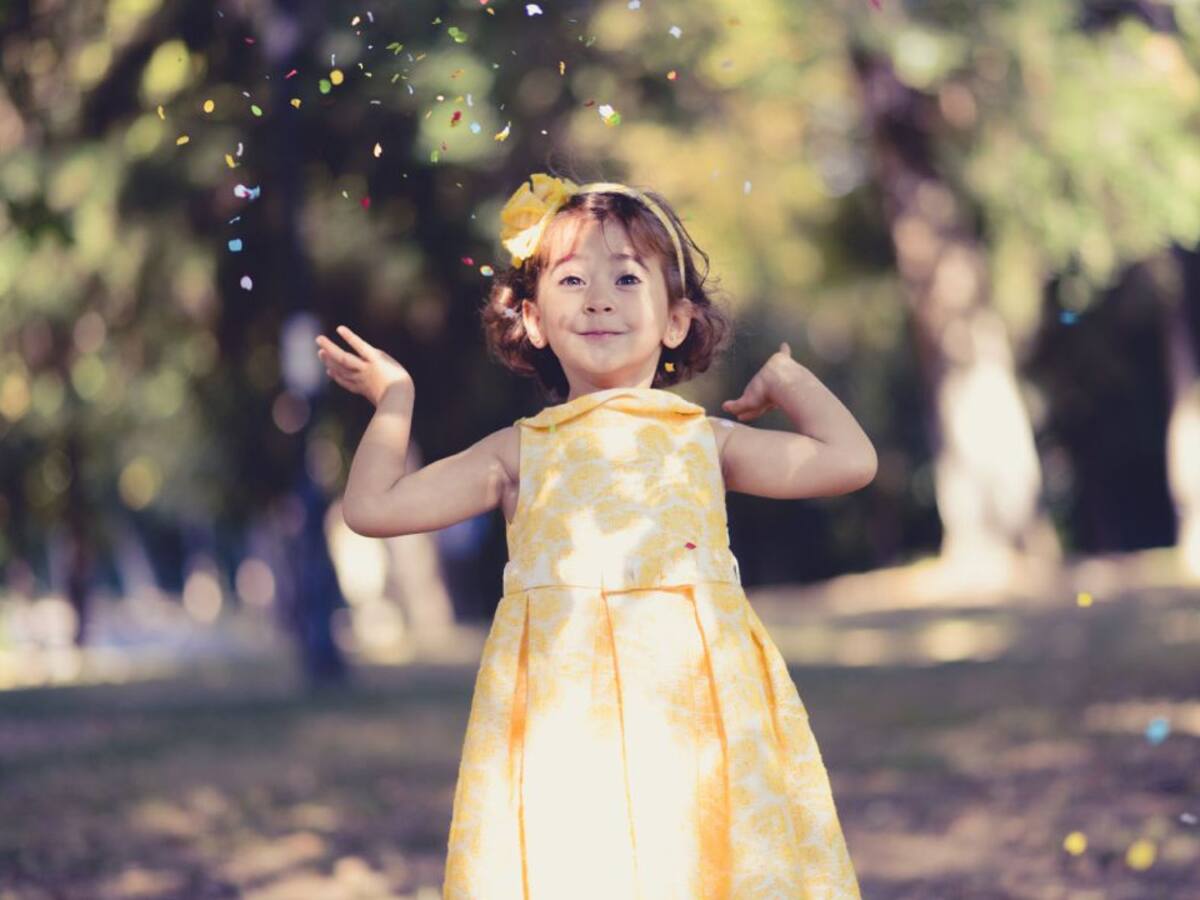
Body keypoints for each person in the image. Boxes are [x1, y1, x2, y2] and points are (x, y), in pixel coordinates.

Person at [315, 172, 875, 898]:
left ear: (676, 320)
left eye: (627, 278)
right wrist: (394, 399)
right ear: (533, 320)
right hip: (567, 726)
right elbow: (374, 508)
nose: (600, 298)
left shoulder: (704, 441)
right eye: (573, 279)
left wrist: (786, 380)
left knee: (701, 862)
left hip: (696, 717)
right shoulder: (519, 452)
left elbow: (849, 460)